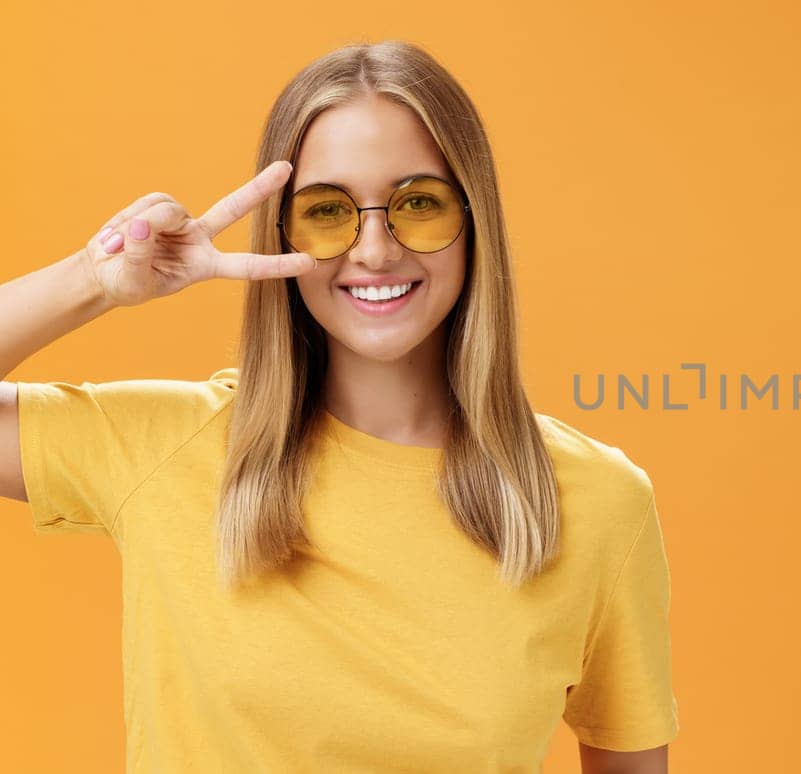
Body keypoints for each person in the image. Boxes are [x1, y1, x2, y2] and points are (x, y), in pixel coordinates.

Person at [0, 40, 677, 773]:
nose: (376, 249)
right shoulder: (167, 446)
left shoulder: (598, 503)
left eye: (419, 202)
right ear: (281, 233)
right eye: (328, 211)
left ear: (475, 219)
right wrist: (94, 281)